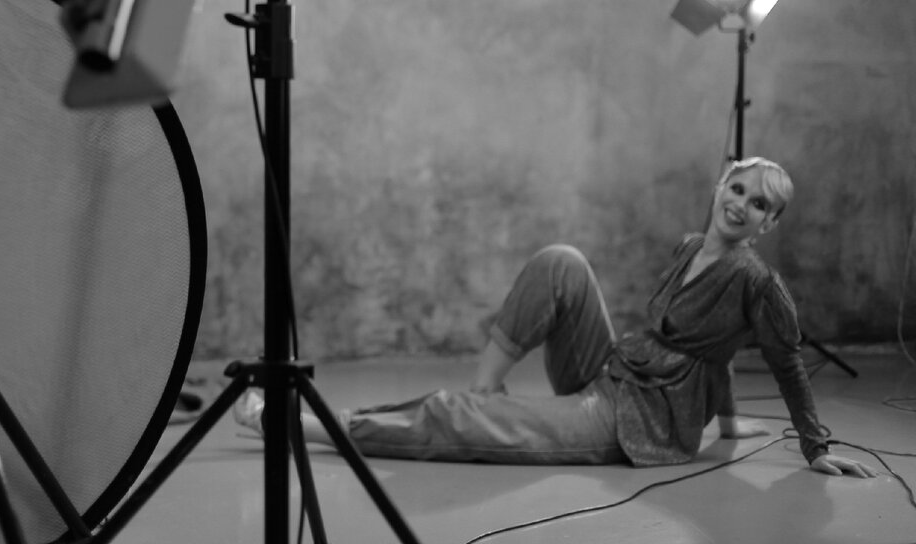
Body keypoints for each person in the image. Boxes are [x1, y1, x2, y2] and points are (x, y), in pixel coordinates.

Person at [234, 157, 876, 478]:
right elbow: (721, 352)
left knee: (456, 419)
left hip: (636, 421)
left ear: (769, 223)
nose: (741, 204)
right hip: (612, 370)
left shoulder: (759, 282)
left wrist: (814, 447)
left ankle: (289, 424)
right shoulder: (689, 246)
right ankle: (485, 388)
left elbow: (786, 363)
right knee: (562, 261)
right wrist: (729, 426)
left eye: (759, 204)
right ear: (720, 187)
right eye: (737, 188)